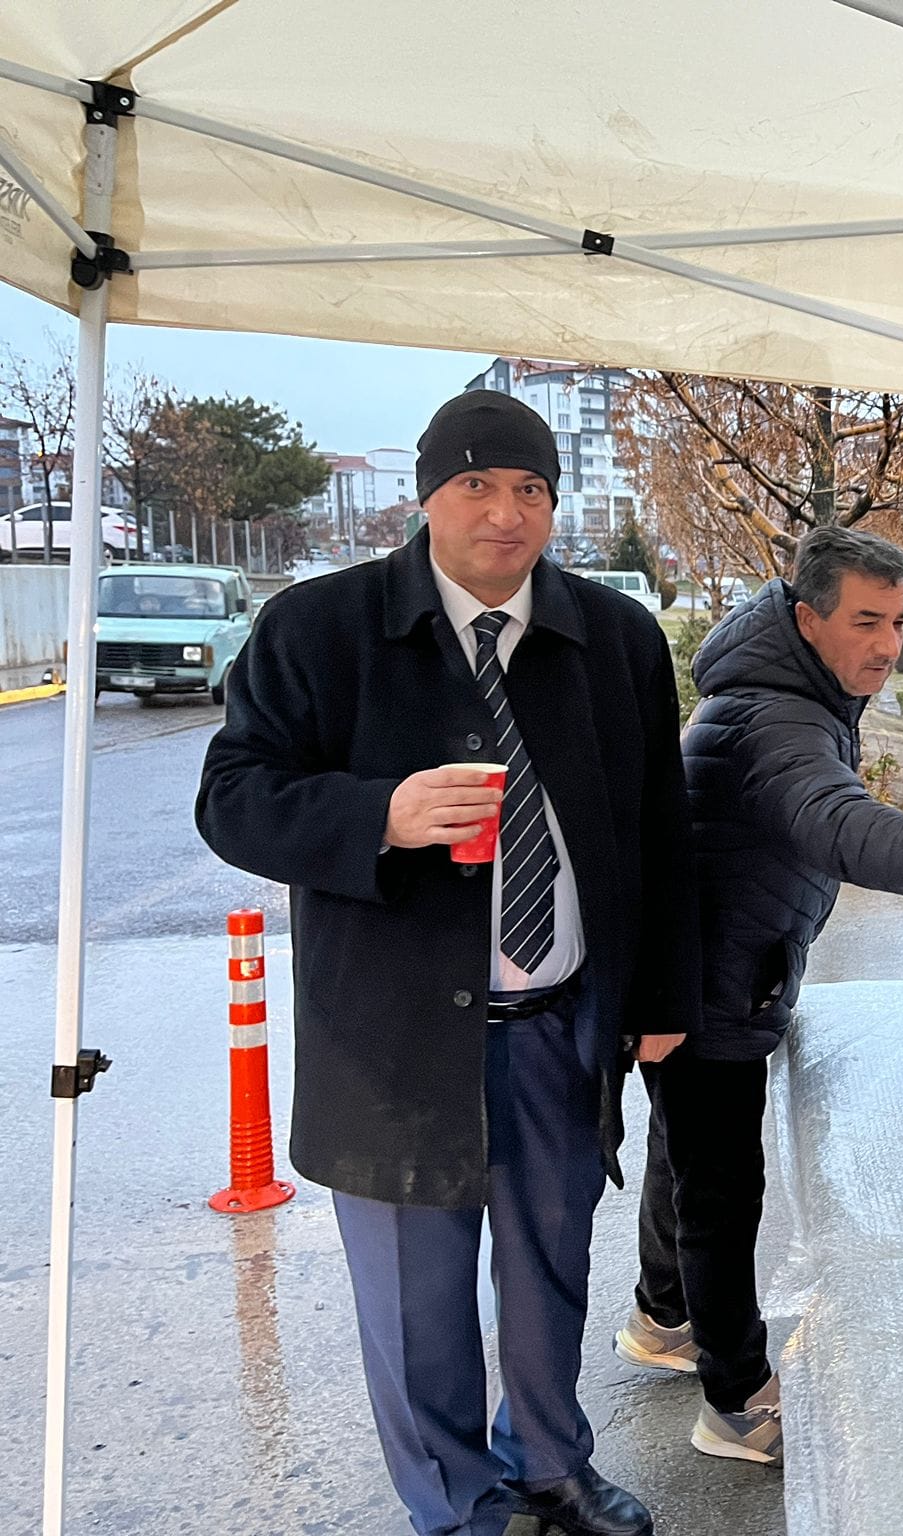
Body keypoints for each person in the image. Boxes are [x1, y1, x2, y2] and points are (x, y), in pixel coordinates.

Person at [197, 390, 691, 1536]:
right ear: (427, 497)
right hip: (391, 1040)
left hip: (559, 1025)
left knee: (547, 1276)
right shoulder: (318, 630)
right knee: (419, 1309)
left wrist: (657, 995)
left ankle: (549, 1465)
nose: (505, 514)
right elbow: (231, 799)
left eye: (530, 488)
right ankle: (456, 1505)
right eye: (476, 485)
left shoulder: (612, 638)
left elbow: (660, 830)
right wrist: (381, 813)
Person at [615, 524, 903, 1465]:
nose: (888, 645)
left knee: (683, 1155)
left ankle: (663, 1317)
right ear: (808, 619)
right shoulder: (780, 718)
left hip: (710, 970)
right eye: (865, 621)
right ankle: (733, 1399)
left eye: (898, 621)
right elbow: (840, 825)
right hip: (714, 980)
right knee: (721, 1191)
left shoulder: (782, 693)